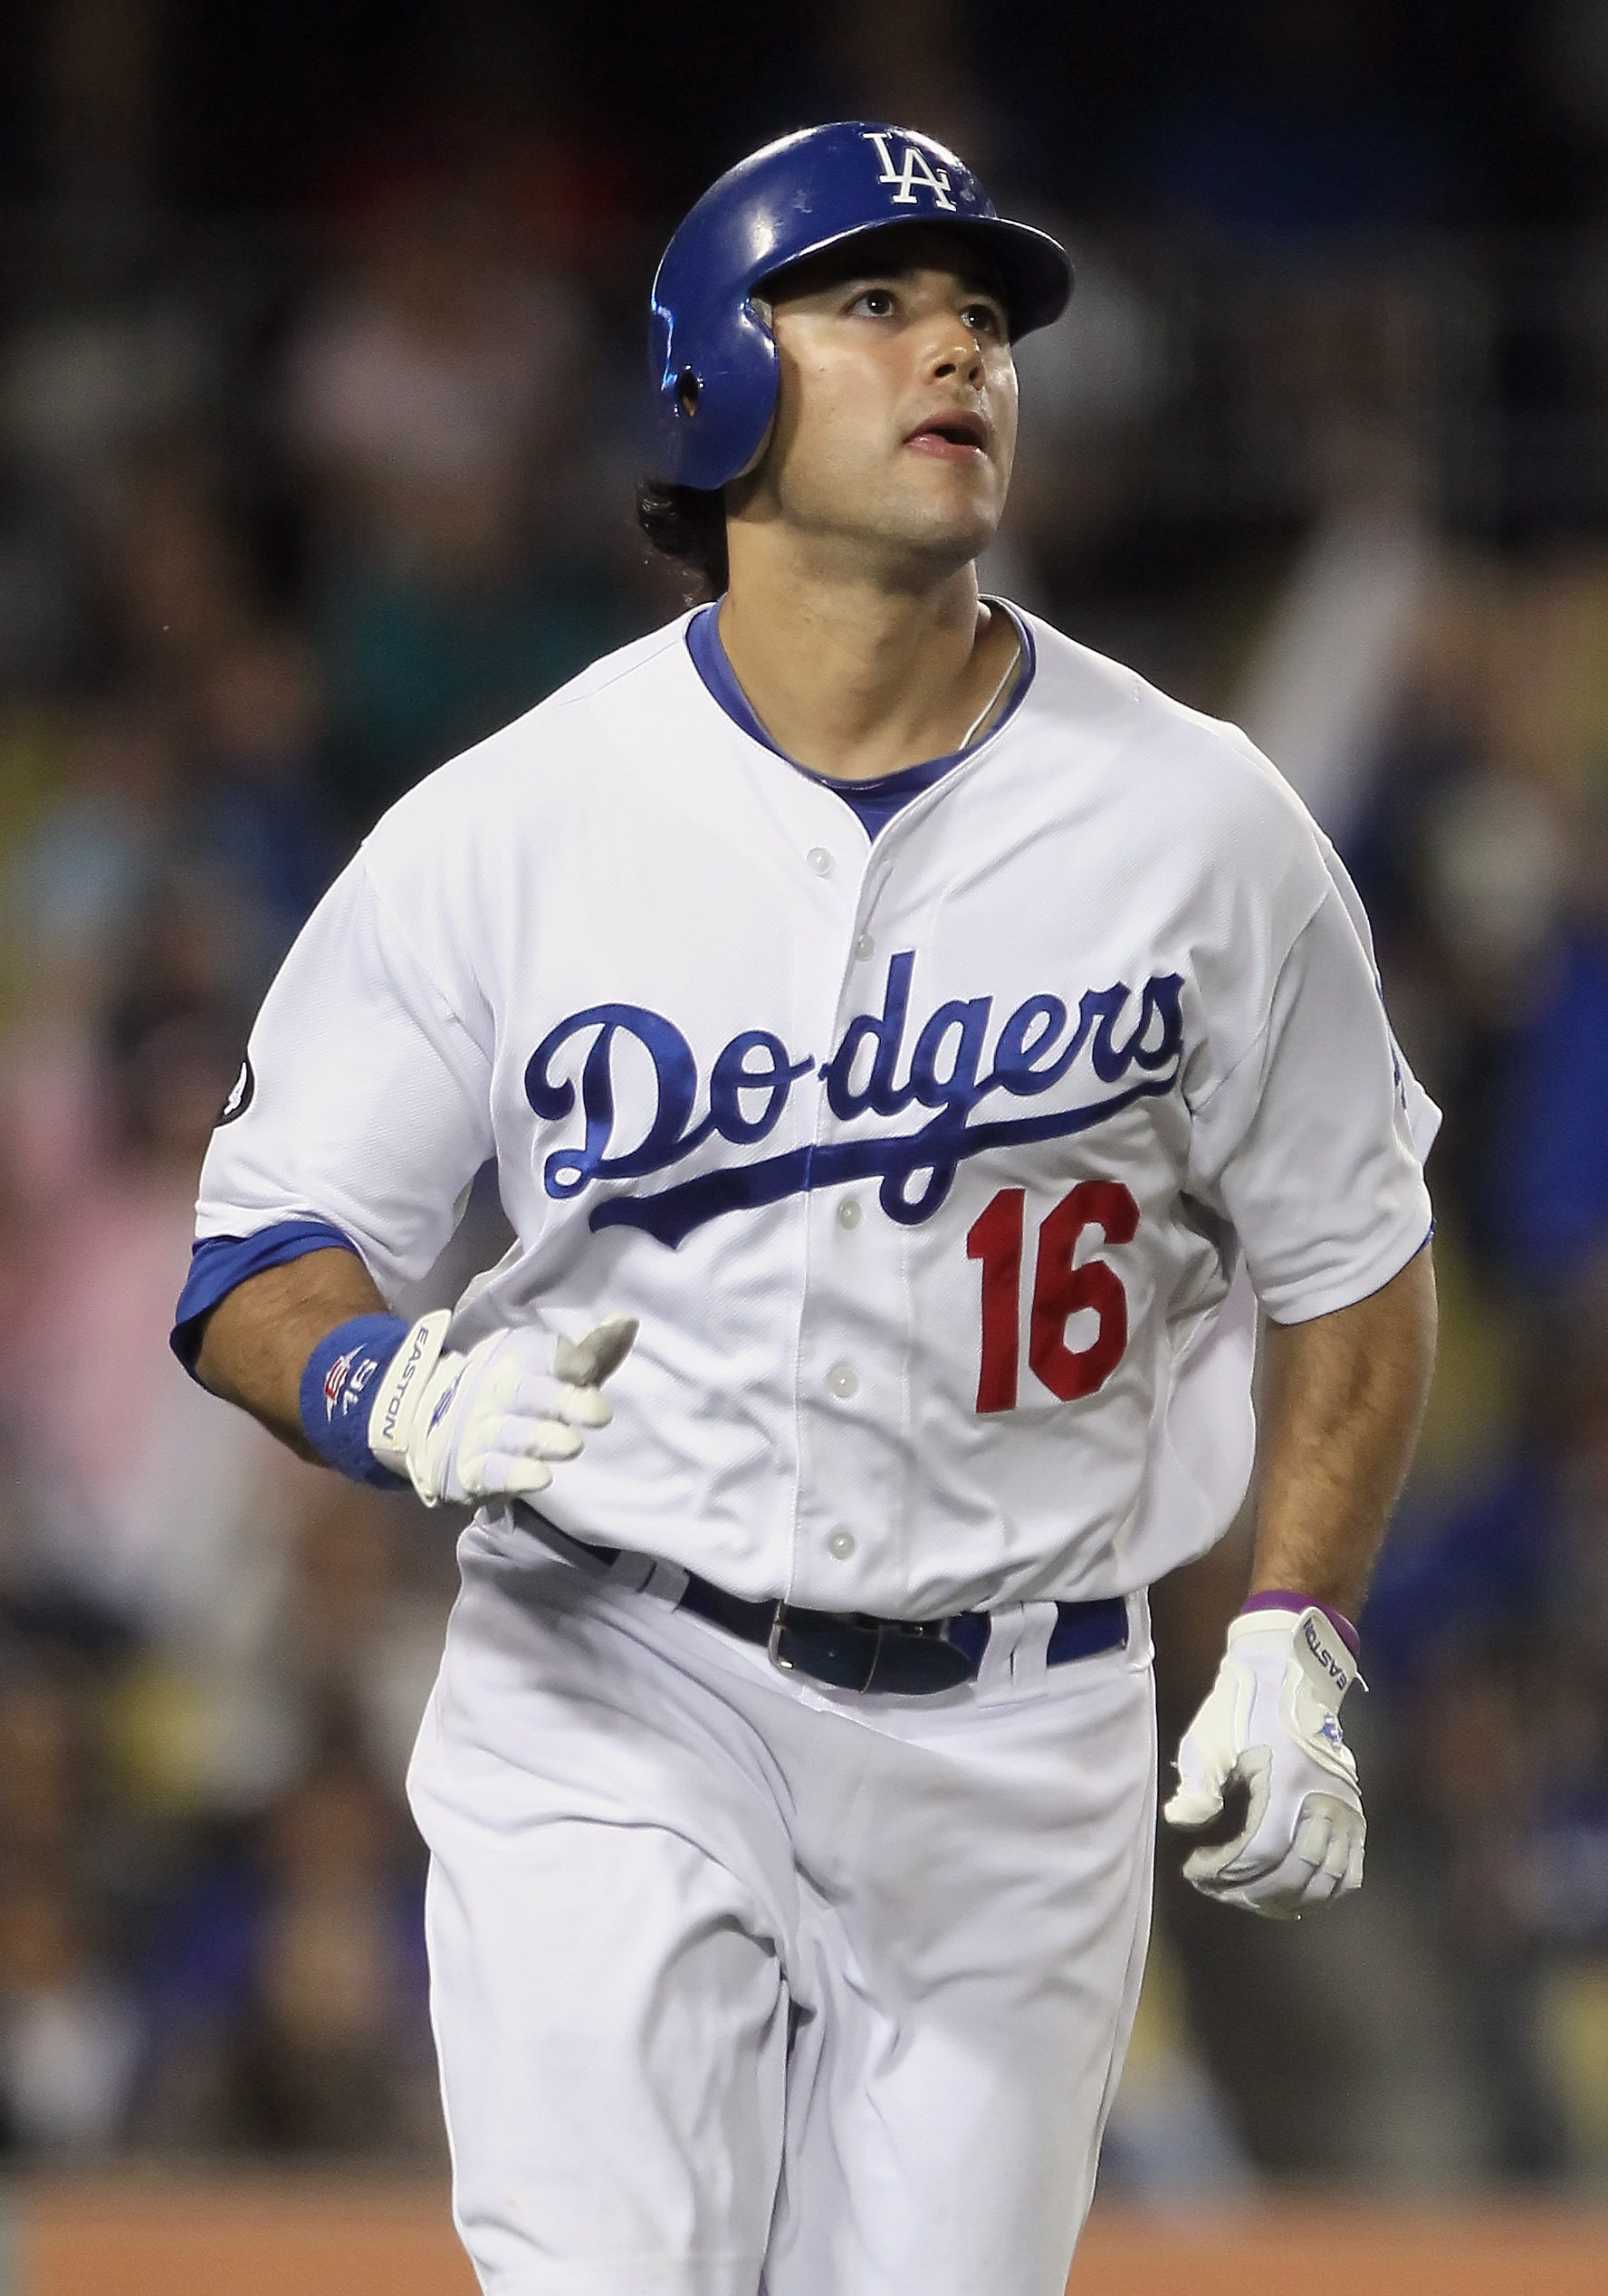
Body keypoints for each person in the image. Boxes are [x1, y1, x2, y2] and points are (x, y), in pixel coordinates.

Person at [172, 123, 1438, 2296]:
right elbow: (255, 1250)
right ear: (715, 384)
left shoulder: (1199, 819)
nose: (956, 343)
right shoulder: (524, 820)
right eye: (874, 300)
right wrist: (383, 1382)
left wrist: (1297, 1632)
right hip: (612, 1674)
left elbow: (1361, 1256)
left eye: (981, 315)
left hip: (1023, 1731)